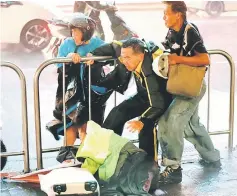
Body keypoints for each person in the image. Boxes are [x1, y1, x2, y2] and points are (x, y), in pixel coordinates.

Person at [158, 1, 221, 185]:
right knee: (191, 125)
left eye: (166, 13)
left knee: (171, 121)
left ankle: (173, 168)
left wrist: (177, 59)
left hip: (192, 86)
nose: (164, 17)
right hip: (181, 85)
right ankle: (212, 157)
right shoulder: (171, 32)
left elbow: (204, 58)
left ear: (178, 14)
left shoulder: (189, 30)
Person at [90, 38, 173, 161]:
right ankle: (105, 153)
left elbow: (158, 104)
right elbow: (115, 46)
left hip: (162, 100)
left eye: (127, 58)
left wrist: (143, 120)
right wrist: (93, 54)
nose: (123, 61)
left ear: (140, 56)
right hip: (144, 96)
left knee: (145, 127)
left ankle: (149, 166)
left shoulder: (149, 71)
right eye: (123, 57)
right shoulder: (129, 52)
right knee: (118, 112)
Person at [46, 13, 112, 146]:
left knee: (86, 125)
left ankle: (85, 156)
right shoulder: (67, 43)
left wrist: (96, 57)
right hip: (70, 91)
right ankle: (67, 155)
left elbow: (111, 55)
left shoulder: (98, 43)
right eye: (72, 32)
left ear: (86, 33)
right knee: (70, 124)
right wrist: (69, 57)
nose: (73, 35)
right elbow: (58, 64)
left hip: (90, 91)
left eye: (76, 32)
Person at [76, 120, 160, 196]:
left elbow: (90, 166)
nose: (80, 138)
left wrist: (78, 181)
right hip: (143, 163)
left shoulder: (93, 138)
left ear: (84, 131)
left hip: (129, 168)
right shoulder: (105, 134)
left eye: (79, 134)